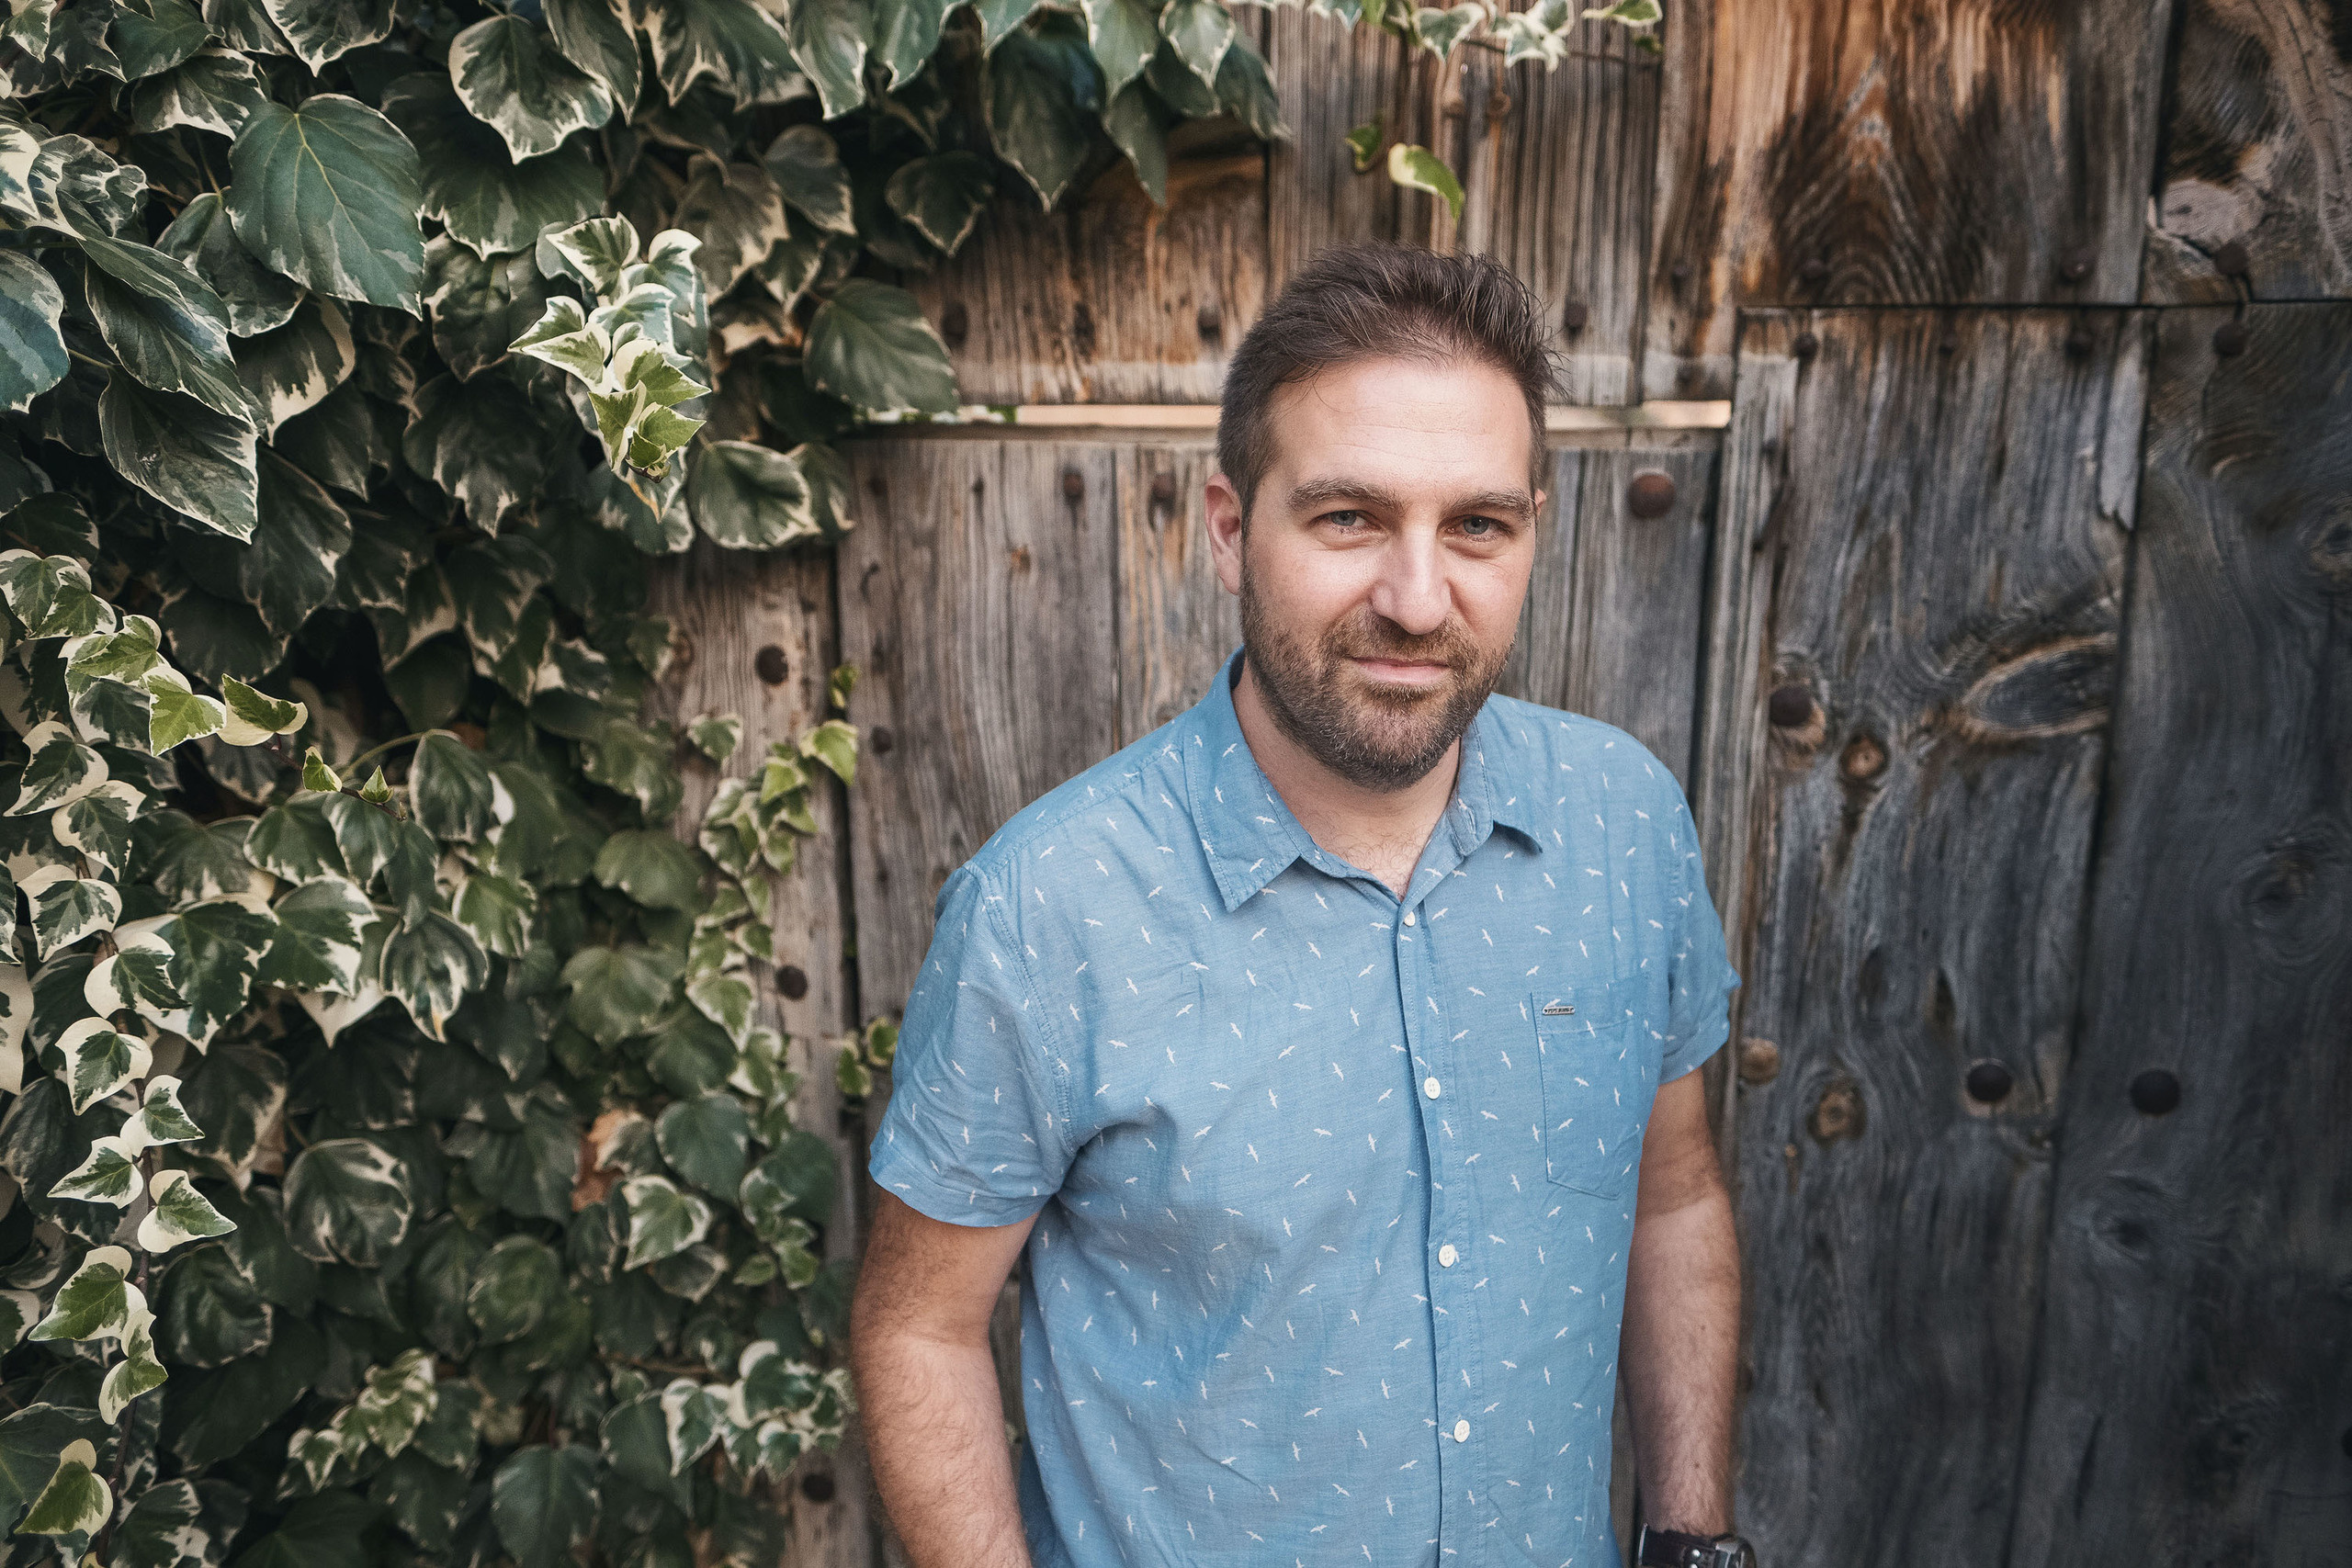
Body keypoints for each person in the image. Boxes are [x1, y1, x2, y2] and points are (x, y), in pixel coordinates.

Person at [850, 243, 1749, 1568]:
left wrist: (1692, 1537)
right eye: (1349, 519)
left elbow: (1673, 1199)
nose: (1416, 598)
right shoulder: (1051, 911)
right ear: (1230, 529)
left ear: (1534, 534)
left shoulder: (1625, 828)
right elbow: (920, 1329)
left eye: (1477, 527)